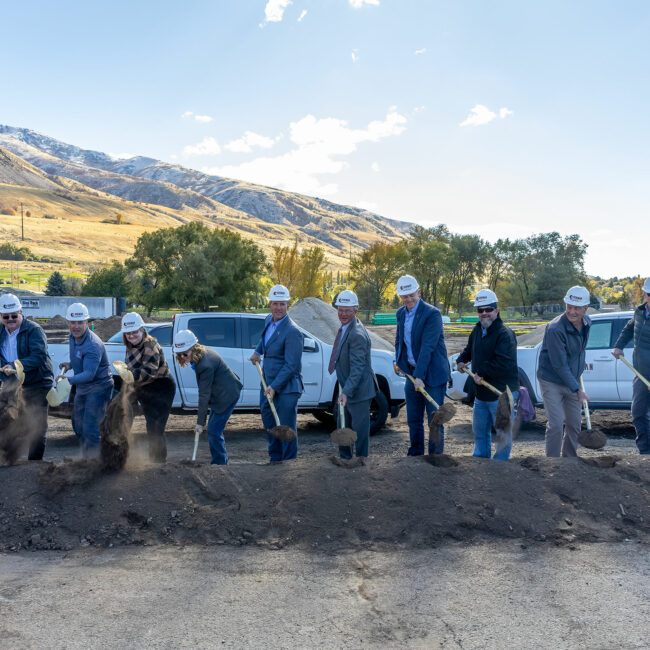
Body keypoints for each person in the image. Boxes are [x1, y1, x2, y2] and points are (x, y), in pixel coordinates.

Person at [456, 289, 519, 460]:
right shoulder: (477, 330)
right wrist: (462, 360)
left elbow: (504, 363)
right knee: (480, 432)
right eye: (480, 310)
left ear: (496, 311)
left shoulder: (505, 334)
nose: (484, 314)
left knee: (502, 434)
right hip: (482, 394)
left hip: (501, 393)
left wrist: (482, 372)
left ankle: (499, 467)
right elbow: (469, 350)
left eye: (488, 309)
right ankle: (480, 462)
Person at [394, 275, 450, 455]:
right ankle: (416, 453)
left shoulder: (432, 314)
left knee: (434, 420)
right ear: (400, 297)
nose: (408, 299)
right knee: (413, 418)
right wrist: (400, 362)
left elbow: (428, 347)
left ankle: (435, 457)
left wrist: (420, 377)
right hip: (412, 373)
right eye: (404, 296)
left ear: (418, 292)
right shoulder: (400, 313)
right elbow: (399, 341)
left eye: (411, 295)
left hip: (432, 374)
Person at [250, 284, 303, 462]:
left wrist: (274, 386)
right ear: (270, 304)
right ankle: (275, 459)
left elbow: (292, 365)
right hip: (268, 383)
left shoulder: (293, 332)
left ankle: (288, 462)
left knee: (285, 427)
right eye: (275, 304)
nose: (278, 308)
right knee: (270, 423)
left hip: (286, 387)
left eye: (282, 304)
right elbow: (265, 339)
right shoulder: (268, 320)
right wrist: (258, 351)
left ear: (288, 305)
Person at [537, 286, 592, 457]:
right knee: (556, 423)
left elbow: (579, 351)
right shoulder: (555, 329)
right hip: (551, 379)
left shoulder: (587, 323)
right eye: (569, 306)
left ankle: (569, 462)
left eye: (577, 308)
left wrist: (577, 373)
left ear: (585, 309)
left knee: (575, 424)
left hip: (571, 379)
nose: (572, 311)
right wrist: (577, 389)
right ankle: (552, 464)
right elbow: (559, 365)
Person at [174, 329, 242, 465]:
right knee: (213, 429)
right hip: (222, 392)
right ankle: (220, 462)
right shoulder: (200, 354)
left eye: (184, 353)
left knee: (214, 431)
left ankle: (220, 464)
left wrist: (200, 422)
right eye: (179, 354)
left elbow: (204, 394)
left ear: (193, 348)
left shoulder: (205, 365)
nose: (182, 357)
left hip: (227, 396)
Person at [0, 293, 54, 460]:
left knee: (36, 423)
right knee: (6, 418)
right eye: (5, 316)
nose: (10, 319)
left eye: (14, 315)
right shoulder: (0, 331)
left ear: (21, 313)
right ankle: (8, 457)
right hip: (12, 383)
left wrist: (16, 366)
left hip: (37, 381)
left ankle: (34, 463)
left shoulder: (34, 330)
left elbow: (39, 356)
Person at [58, 302, 113, 458]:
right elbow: (79, 358)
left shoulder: (93, 345)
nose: (76, 326)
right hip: (84, 386)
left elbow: (89, 373)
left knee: (90, 426)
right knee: (79, 425)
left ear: (88, 323)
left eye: (80, 322)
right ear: (68, 323)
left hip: (99, 387)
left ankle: (94, 463)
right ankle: (87, 457)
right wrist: (70, 365)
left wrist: (67, 380)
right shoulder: (72, 337)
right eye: (73, 322)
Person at [121, 312, 176, 463]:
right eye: (128, 333)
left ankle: (158, 463)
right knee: (147, 423)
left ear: (142, 330)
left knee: (156, 427)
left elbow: (150, 372)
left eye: (135, 332)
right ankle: (149, 458)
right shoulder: (130, 346)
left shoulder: (150, 345)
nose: (131, 336)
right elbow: (132, 370)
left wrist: (128, 375)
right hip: (143, 386)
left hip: (161, 386)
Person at [330, 289, 378, 460]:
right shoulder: (347, 327)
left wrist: (346, 392)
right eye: (340, 310)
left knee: (359, 429)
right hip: (350, 388)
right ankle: (345, 459)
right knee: (343, 424)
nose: (343, 314)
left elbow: (358, 368)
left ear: (355, 311)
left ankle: (361, 461)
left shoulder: (356, 334)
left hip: (359, 391)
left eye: (347, 310)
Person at [612, 277, 650, 454]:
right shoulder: (639, 312)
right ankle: (644, 452)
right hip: (641, 375)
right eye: (649, 294)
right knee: (638, 413)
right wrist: (619, 346)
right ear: (645, 294)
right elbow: (628, 329)